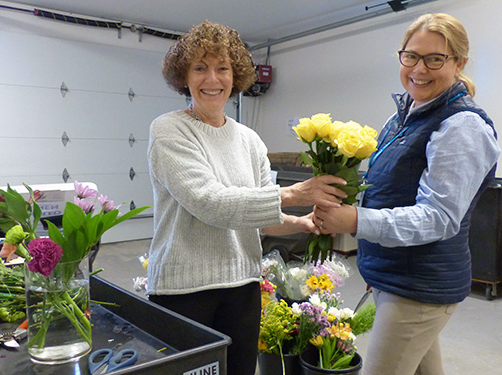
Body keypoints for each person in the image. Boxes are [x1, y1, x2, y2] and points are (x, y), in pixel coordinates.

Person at [146, 21, 347, 375]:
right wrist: (295, 193)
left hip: (243, 288)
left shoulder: (249, 140)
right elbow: (210, 202)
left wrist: (303, 222)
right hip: (184, 291)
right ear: (184, 76)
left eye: (222, 68)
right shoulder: (169, 129)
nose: (213, 79)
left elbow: (259, 215)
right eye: (200, 68)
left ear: (235, 74)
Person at [313, 13, 500, 375]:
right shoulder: (404, 116)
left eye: (435, 59)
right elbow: (386, 187)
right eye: (411, 56)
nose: (419, 68)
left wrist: (354, 220)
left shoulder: (461, 126)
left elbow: (438, 217)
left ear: (459, 63)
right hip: (396, 276)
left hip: (418, 287)